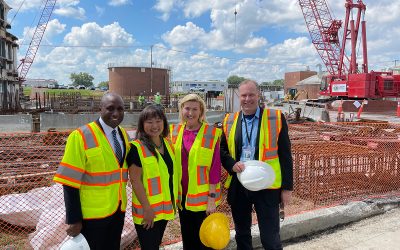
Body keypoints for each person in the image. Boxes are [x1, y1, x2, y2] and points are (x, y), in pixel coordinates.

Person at [220, 79, 293, 250]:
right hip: (240, 183)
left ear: (258, 95)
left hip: (267, 185)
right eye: (244, 95)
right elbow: (222, 150)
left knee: (270, 235)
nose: (247, 99)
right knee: (242, 233)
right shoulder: (229, 120)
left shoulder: (275, 118)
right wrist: (232, 164)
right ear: (239, 97)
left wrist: (287, 188)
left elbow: (285, 155)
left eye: (251, 94)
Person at [53, 93, 130, 250]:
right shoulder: (81, 136)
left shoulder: (123, 135)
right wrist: (74, 219)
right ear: (100, 109)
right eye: (110, 108)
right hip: (92, 216)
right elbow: (69, 181)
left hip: (117, 211)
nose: (116, 113)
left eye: (120, 109)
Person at [170, 93, 222, 250]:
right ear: (181, 110)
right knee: (188, 239)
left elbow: (215, 169)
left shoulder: (210, 133)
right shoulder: (174, 131)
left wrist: (211, 199)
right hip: (183, 198)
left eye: (195, 109)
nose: (190, 113)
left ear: (201, 111)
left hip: (204, 200)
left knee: (204, 241)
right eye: (187, 108)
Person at [126, 105, 178, 249]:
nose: (154, 126)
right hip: (147, 213)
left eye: (158, 121)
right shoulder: (136, 148)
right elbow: (135, 181)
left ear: (164, 122)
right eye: (149, 122)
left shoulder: (167, 144)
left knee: (155, 245)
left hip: (163, 211)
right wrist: (147, 209)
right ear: (142, 125)